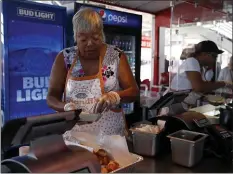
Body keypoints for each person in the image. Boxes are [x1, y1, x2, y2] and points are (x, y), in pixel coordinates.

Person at [46, 8, 139, 140]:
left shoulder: (115, 56)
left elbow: (134, 92)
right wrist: (66, 107)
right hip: (74, 138)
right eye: (83, 39)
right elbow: (51, 97)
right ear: (75, 36)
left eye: (95, 38)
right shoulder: (65, 58)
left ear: (101, 34)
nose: (90, 44)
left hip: (110, 138)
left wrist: (114, 97)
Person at [160, 41, 233, 116]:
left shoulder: (202, 68)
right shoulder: (192, 61)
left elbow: (201, 88)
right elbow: (199, 87)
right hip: (174, 103)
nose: (215, 60)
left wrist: (207, 97)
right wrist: (224, 83)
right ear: (204, 54)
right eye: (214, 56)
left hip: (183, 103)